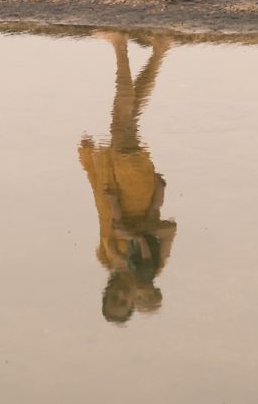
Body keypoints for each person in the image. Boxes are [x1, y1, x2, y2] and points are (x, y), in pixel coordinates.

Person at [77, 32, 176, 324]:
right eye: (125, 302)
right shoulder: (152, 269)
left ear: (107, 292)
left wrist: (95, 170)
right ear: (134, 300)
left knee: (128, 119)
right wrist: (137, 229)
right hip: (137, 188)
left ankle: (159, 50)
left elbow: (103, 214)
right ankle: (121, 47)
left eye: (114, 299)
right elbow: (168, 229)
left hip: (115, 184)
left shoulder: (108, 259)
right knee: (122, 122)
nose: (122, 295)